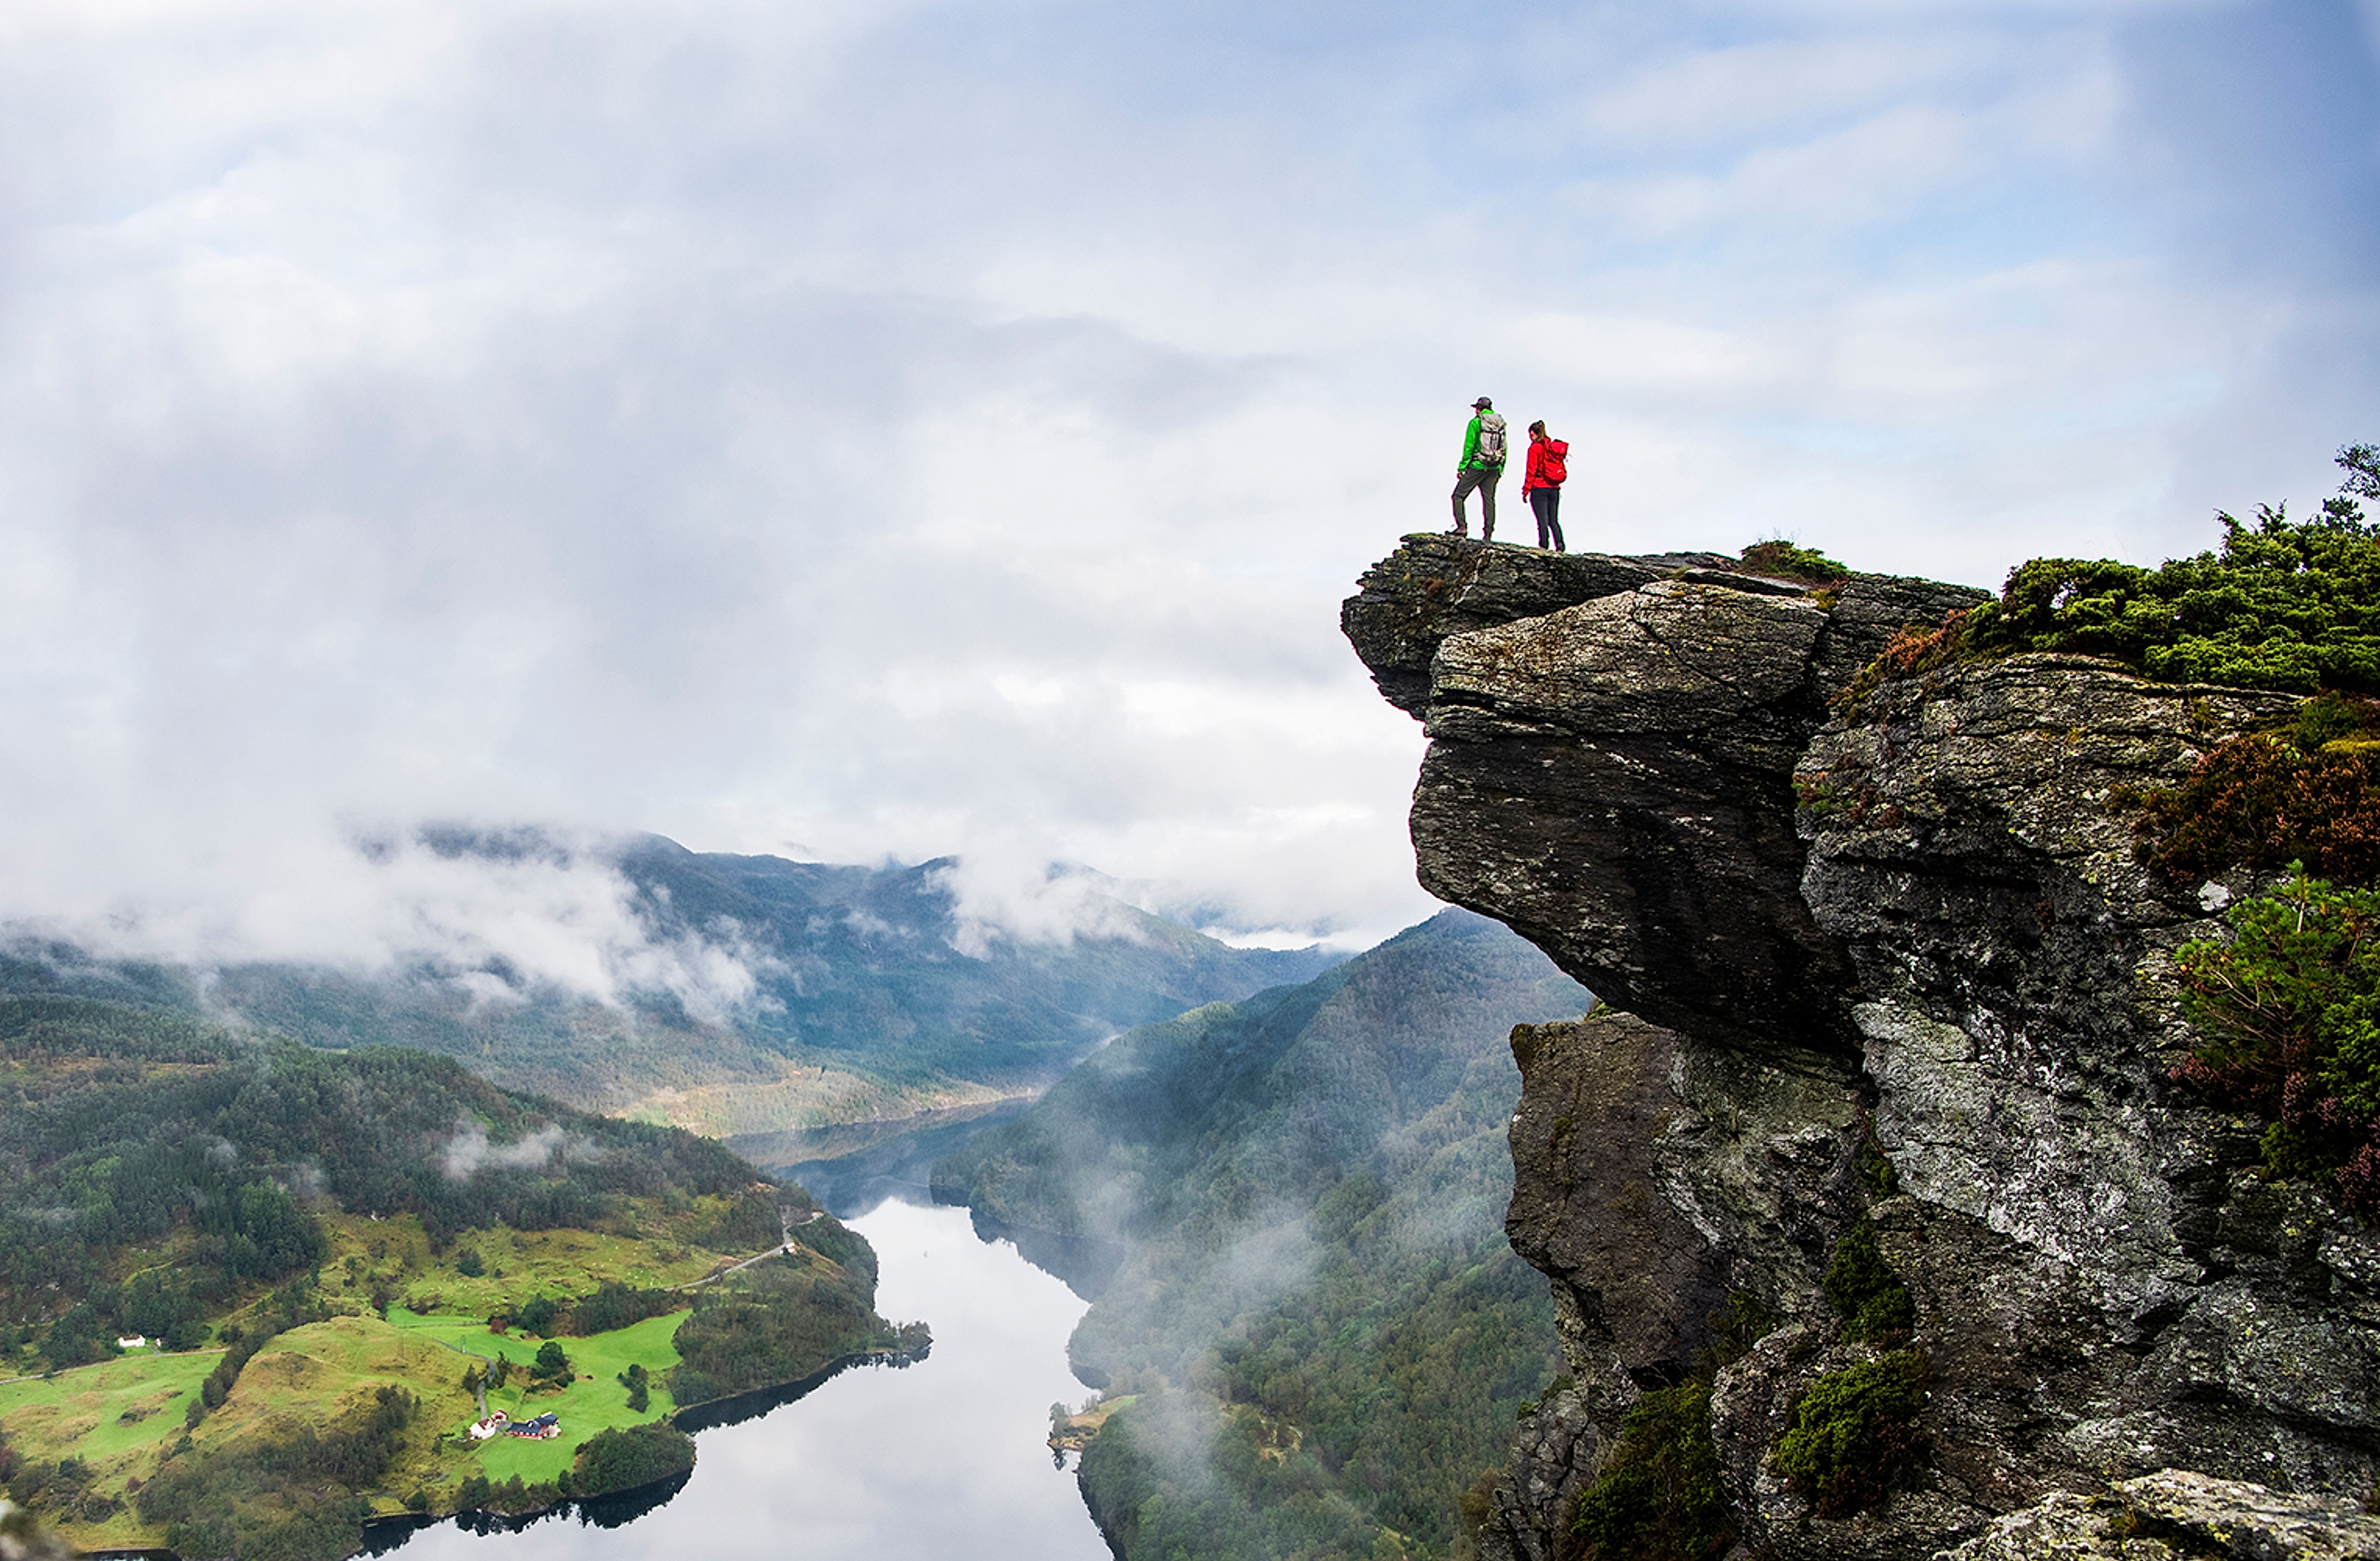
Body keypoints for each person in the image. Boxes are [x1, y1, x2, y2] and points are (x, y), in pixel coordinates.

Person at [1450, 396, 1508, 540]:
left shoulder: (1476, 423)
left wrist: (1462, 467)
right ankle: (1488, 534)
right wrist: (1501, 468)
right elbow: (1504, 448)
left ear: (1478, 409)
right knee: (1489, 500)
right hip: (1494, 467)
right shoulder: (1500, 424)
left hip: (1477, 465)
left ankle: (1462, 527)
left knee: (1458, 496)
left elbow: (1469, 447)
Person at [1523, 420, 1568, 552]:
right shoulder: (1551, 448)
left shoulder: (1534, 448)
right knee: (1553, 520)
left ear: (1533, 434)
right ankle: (1560, 545)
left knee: (1542, 520)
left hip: (1539, 488)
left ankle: (1544, 546)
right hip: (1554, 489)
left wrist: (1526, 490)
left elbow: (1531, 470)